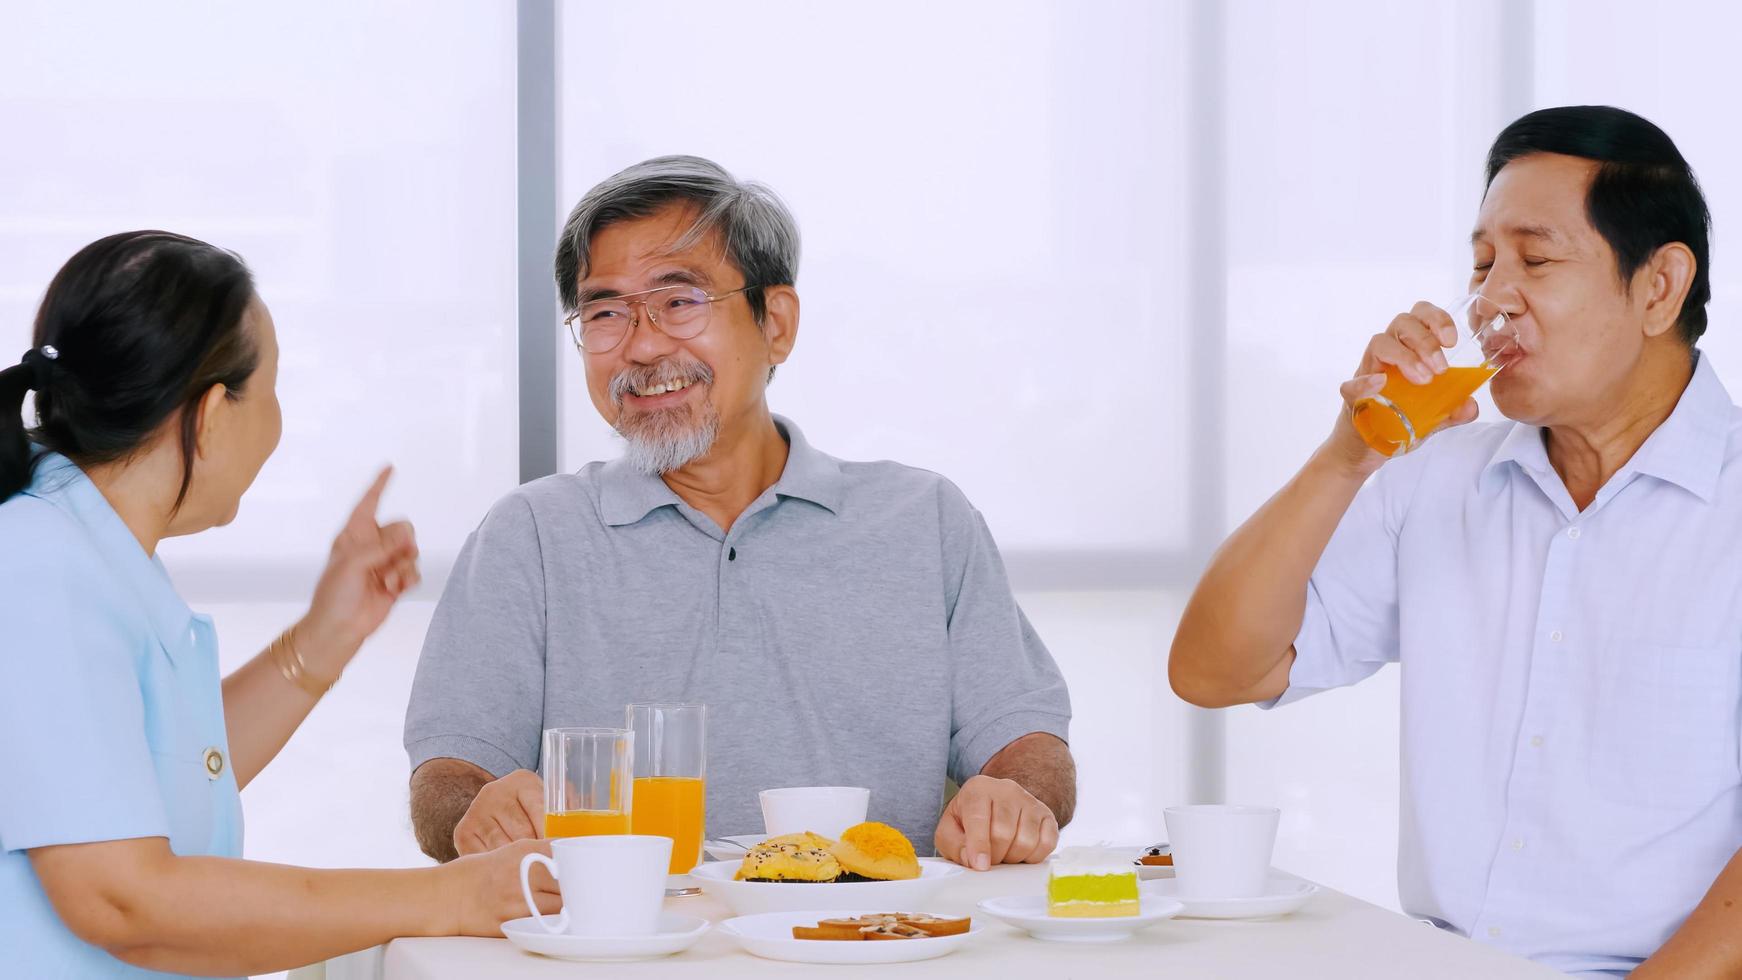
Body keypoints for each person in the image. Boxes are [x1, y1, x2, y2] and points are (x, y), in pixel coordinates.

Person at [1171, 105, 1742, 977]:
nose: (1489, 299)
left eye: (1536, 259)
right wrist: (1344, 457)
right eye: (1482, 263)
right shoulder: (1434, 476)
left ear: (1659, 287)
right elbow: (1215, 671)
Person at [405, 156, 1076, 870]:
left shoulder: (925, 520)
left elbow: (1029, 746)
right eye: (604, 312)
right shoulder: (532, 534)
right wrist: (480, 810)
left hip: (875, 942)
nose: (642, 344)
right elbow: (446, 779)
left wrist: (1010, 795)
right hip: (625, 948)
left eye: (680, 301)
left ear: (776, 322)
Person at [0, 231, 554, 978]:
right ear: (213, 411)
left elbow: (149, 775)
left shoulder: (76, 550)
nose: (277, 424)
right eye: (270, 389)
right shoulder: (40, 565)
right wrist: (446, 897)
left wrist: (325, 636)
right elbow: (122, 902)